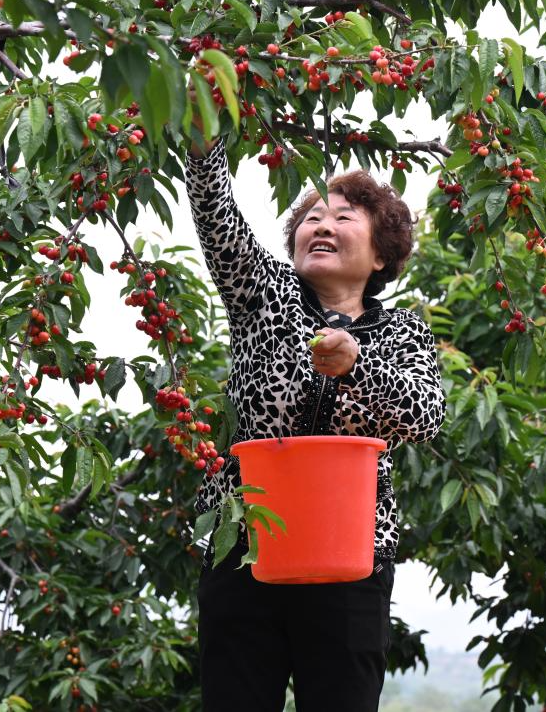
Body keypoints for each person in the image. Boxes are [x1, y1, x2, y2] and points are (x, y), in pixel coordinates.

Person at [184, 120, 446, 710]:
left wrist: (358, 367)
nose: (323, 225)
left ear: (381, 255)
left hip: (350, 557)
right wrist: (203, 145)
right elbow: (217, 219)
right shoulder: (265, 293)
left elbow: (426, 415)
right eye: (311, 218)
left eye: (344, 217)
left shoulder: (403, 331)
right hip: (246, 548)